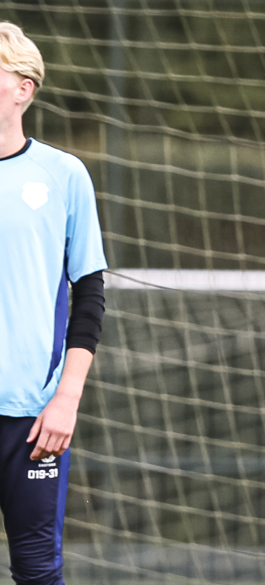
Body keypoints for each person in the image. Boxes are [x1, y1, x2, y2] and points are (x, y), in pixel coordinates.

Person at [0, 21, 108, 585]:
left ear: (24, 88)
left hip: (33, 416)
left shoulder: (64, 175)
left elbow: (89, 294)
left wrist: (66, 398)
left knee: (38, 572)